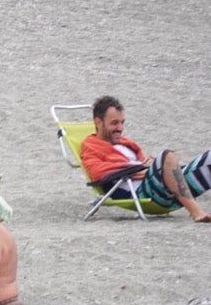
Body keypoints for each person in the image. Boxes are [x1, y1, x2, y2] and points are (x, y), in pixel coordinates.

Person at [80, 95, 211, 223]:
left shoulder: (125, 143)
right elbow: (97, 173)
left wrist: (148, 165)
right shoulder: (91, 146)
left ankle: (189, 202)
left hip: (161, 187)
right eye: (114, 123)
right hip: (141, 193)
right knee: (167, 155)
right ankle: (197, 212)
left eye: (122, 122)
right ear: (98, 122)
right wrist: (136, 169)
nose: (120, 128)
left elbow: (143, 163)